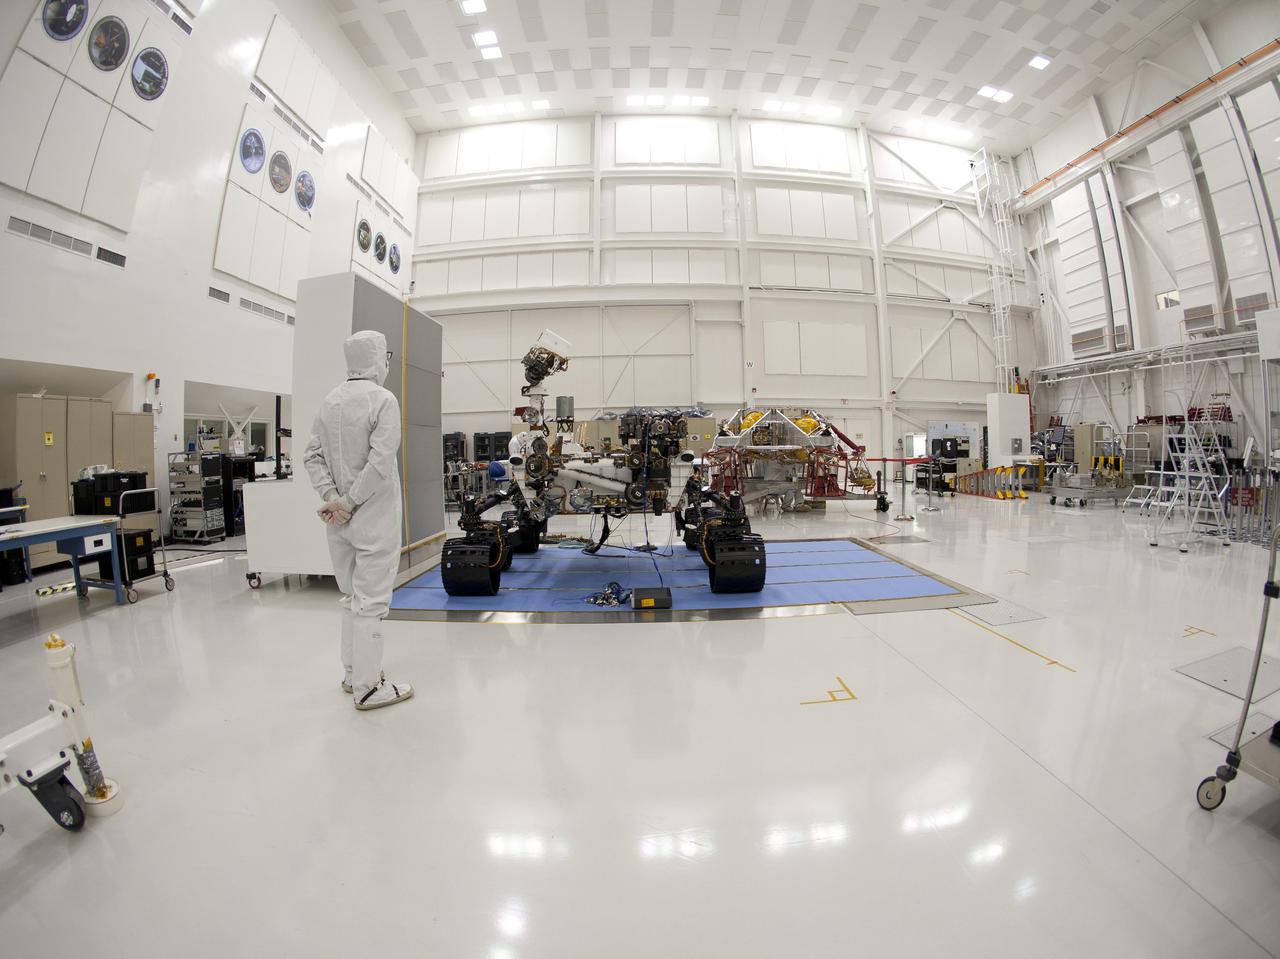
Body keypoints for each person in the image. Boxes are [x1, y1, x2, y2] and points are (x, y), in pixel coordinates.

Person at [303, 330, 413, 711]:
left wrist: (332, 499)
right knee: (370, 603)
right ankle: (368, 688)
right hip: (373, 519)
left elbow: (312, 457)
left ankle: (352, 675)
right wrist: (347, 501)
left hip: (339, 523)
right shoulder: (383, 400)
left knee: (350, 598)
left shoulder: (330, 401)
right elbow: (380, 462)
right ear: (377, 358)